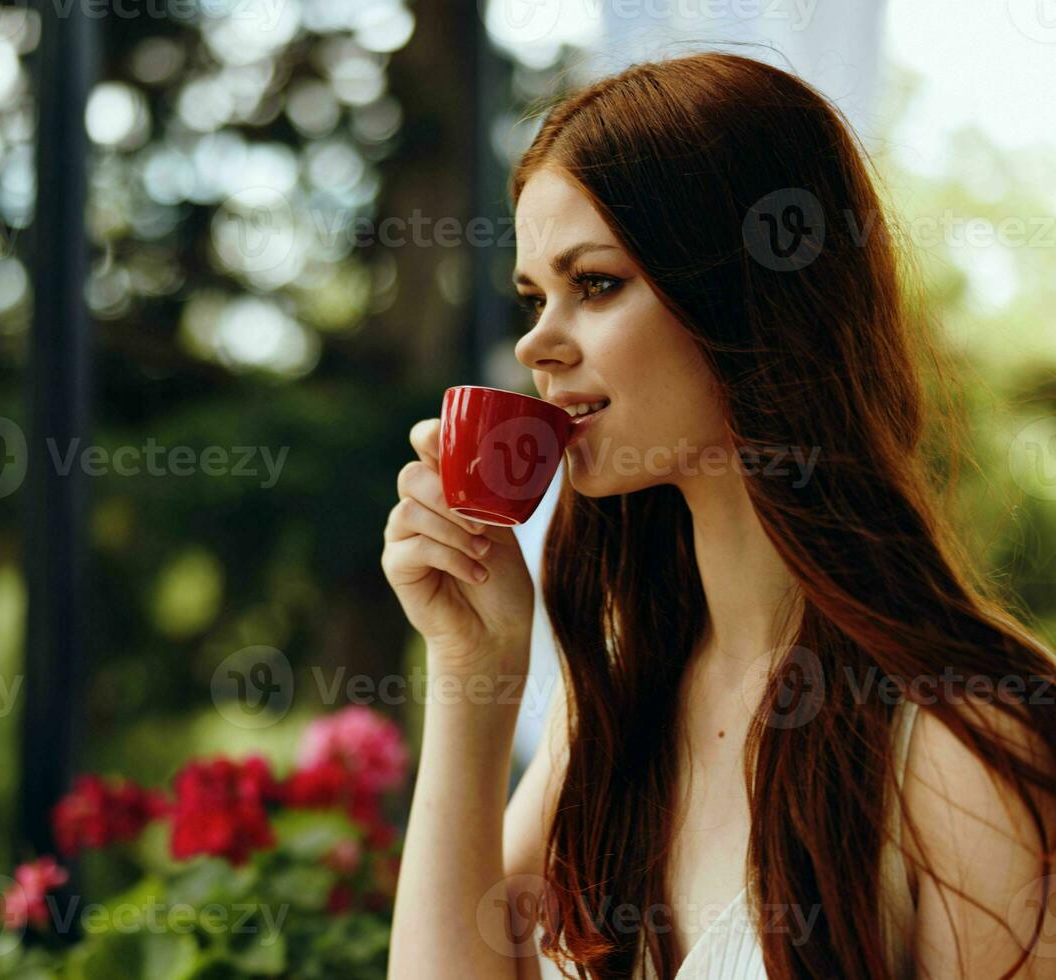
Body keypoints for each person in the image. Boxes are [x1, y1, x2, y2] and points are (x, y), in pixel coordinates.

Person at [381, 51, 1056, 980]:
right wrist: (470, 667)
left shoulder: (957, 751)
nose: (537, 341)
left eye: (599, 283)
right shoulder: (615, 714)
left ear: (750, 296)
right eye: (538, 295)